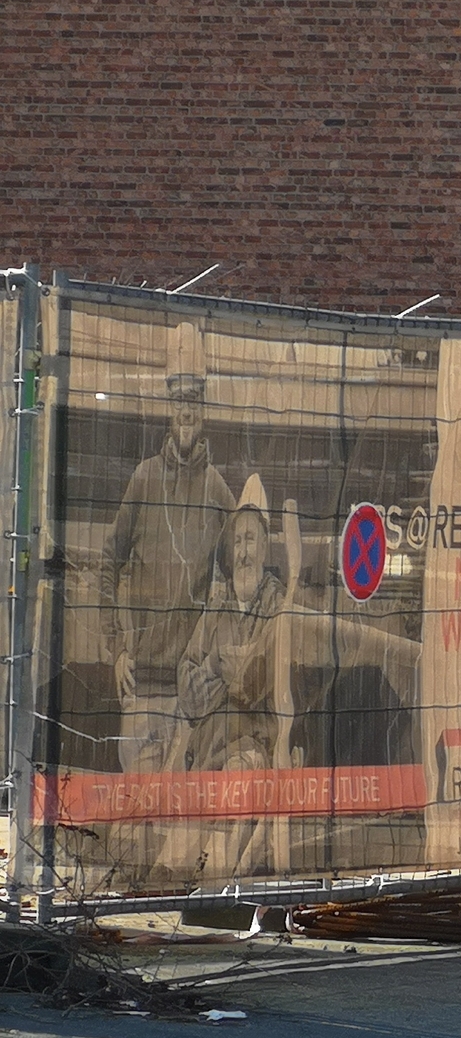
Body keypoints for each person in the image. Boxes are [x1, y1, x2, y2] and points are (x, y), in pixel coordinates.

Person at [103, 321, 233, 769]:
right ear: (168, 405)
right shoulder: (143, 479)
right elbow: (108, 563)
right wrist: (116, 650)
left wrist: (218, 667)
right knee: (139, 822)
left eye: (194, 398)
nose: (186, 409)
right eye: (179, 398)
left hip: (189, 699)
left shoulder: (219, 492)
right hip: (140, 690)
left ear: (204, 407)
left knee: (181, 826)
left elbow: (248, 579)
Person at [165, 475, 291, 878]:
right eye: (237, 542)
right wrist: (218, 669)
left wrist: (225, 672)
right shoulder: (216, 608)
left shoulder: (279, 606)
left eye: (251, 540)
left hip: (253, 746)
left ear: (266, 547)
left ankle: (215, 888)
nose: (243, 551)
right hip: (207, 748)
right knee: (186, 822)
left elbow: (255, 683)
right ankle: (174, 880)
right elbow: (187, 682)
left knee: (238, 784)